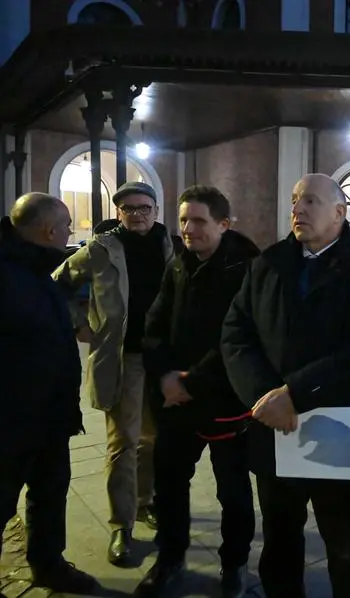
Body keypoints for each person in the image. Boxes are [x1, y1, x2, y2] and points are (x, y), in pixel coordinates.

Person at [221, 173, 350, 598]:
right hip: (274, 426)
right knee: (279, 540)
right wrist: (265, 397)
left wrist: (294, 393)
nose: (298, 208)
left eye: (311, 201)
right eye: (296, 200)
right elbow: (235, 333)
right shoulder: (268, 264)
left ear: (340, 213)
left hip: (336, 426)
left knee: (345, 541)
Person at [137, 187, 260, 598]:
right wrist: (164, 375)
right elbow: (155, 322)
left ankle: (235, 565)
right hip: (175, 402)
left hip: (225, 402)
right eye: (184, 220)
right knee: (169, 485)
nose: (188, 229)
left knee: (234, 493)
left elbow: (239, 339)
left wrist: (187, 382)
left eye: (199, 221)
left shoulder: (247, 269)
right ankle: (170, 557)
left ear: (224, 224)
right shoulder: (179, 264)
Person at [53, 181, 175, 565]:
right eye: (130, 208)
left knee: (153, 439)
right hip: (125, 357)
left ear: (156, 210)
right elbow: (58, 282)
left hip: (164, 359)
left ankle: (144, 502)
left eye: (145, 207)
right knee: (123, 442)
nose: (138, 214)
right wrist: (78, 325)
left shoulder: (173, 246)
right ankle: (121, 525)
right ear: (119, 211)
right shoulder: (101, 249)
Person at [0, 193, 96, 594]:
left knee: (49, 493)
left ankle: (48, 564)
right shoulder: (7, 273)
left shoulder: (38, 269)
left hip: (51, 416)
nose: (71, 232)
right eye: (68, 225)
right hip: (10, 421)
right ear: (50, 231)